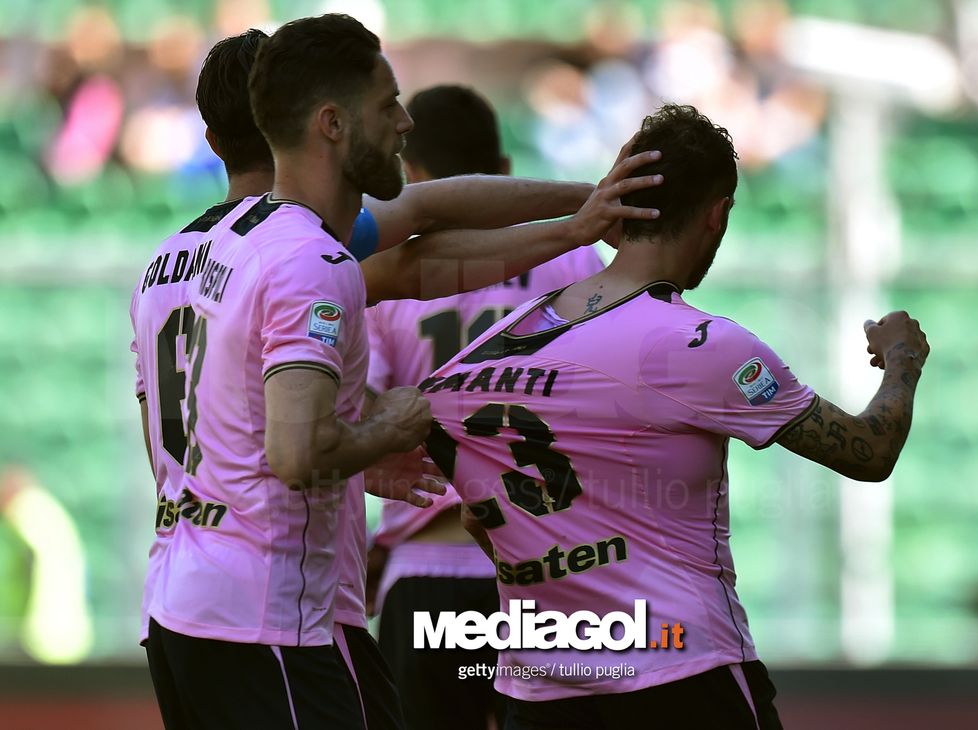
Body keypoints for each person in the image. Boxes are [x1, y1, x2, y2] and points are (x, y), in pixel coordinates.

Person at [134, 16, 662, 730]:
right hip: (274, 609)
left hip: (180, 601)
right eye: (386, 105)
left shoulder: (170, 262)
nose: (404, 121)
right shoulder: (305, 257)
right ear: (317, 118)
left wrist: (579, 219)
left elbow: (421, 247)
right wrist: (388, 424)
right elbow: (297, 451)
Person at [422, 104, 930, 730]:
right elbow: (867, 452)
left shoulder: (478, 358)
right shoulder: (699, 345)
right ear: (717, 214)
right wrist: (902, 362)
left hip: (543, 687)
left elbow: (478, 519)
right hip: (682, 676)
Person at [365, 85, 604, 730]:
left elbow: (369, 421)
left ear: (411, 177)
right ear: (502, 174)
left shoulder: (383, 273)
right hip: (554, 572)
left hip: (426, 572)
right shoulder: (575, 257)